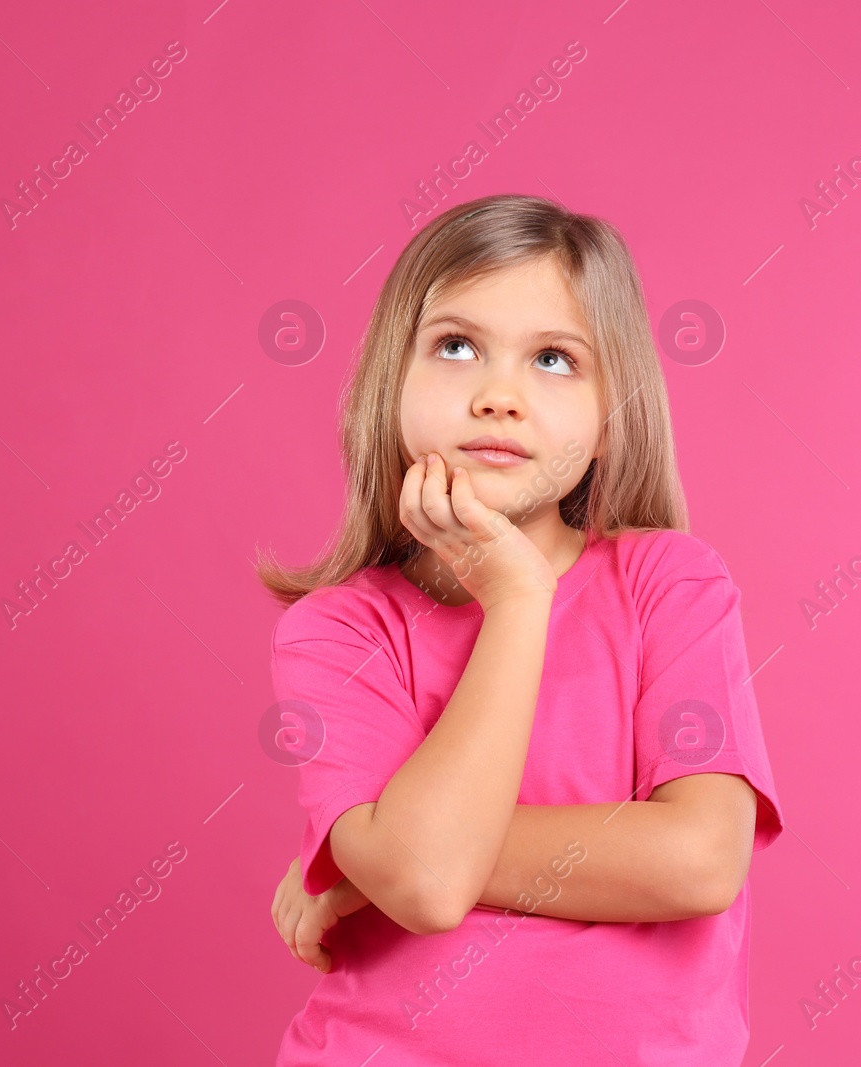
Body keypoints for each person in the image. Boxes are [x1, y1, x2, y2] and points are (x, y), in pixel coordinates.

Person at [256, 193, 785, 1065]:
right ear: (393, 384)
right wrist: (516, 600)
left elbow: (700, 859)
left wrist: (374, 857)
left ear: (613, 415)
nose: (499, 394)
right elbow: (427, 885)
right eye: (456, 346)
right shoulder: (338, 632)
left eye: (553, 358)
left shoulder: (672, 584)